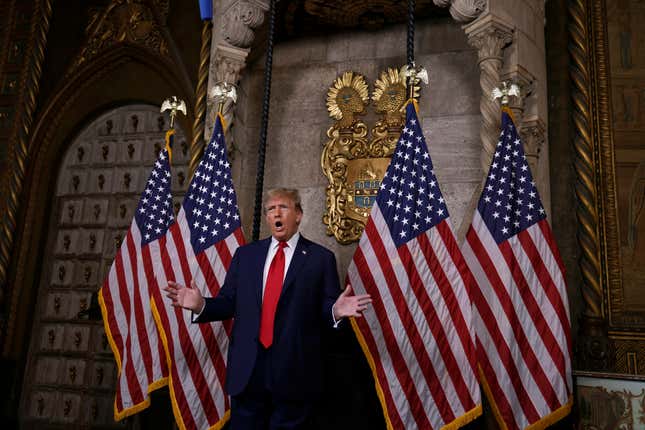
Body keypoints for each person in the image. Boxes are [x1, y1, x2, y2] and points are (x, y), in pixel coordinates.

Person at [164, 187, 372, 429]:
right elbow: (229, 302)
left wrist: (335, 311)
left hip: (295, 371)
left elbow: (326, 307)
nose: (276, 214)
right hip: (248, 370)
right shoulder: (246, 256)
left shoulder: (320, 258)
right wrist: (201, 305)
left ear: (298, 215)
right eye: (271, 209)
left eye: (283, 207)